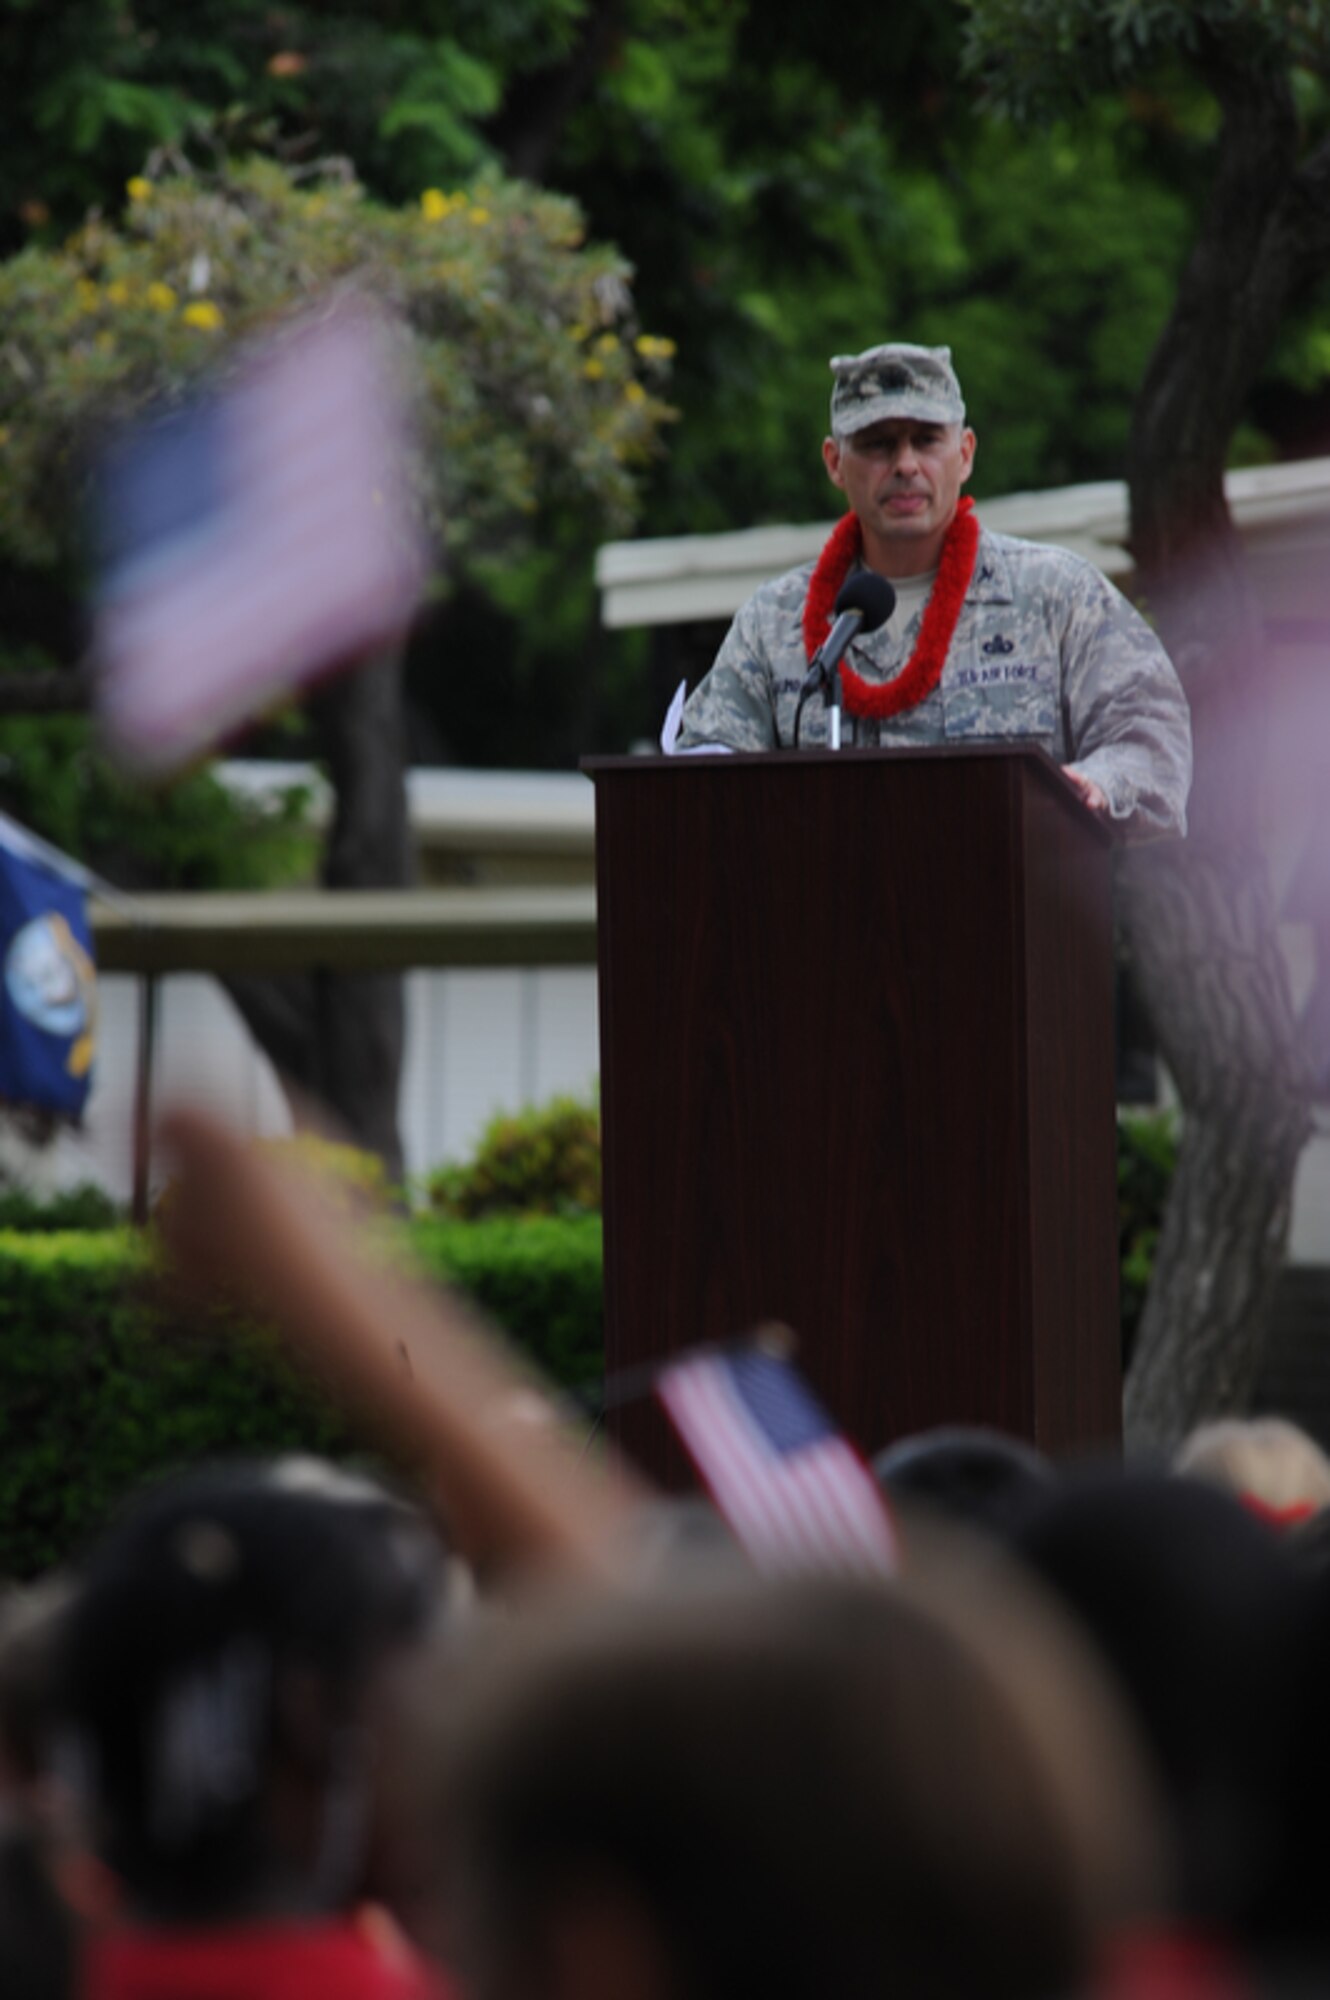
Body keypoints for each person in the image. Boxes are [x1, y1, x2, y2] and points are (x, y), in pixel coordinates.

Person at [675, 341, 1192, 841]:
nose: (904, 465)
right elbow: (702, 773)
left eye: (926, 440)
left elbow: (1149, 733)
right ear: (835, 463)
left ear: (964, 454)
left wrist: (1098, 783)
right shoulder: (775, 621)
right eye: (878, 444)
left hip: (1010, 914)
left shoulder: (1057, 595)